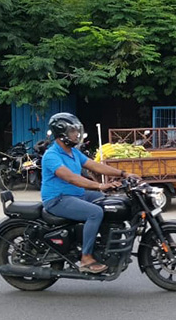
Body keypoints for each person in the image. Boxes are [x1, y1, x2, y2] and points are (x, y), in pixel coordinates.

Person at [41, 113, 139, 274]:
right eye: (72, 131)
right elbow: (71, 178)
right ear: (61, 133)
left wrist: (124, 174)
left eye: (76, 131)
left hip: (77, 194)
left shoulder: (73, 152)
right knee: (95, 212)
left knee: (109, 203)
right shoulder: (51, 155)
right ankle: (86, 258)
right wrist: (100, 185)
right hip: (57, 199)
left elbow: (94, 165)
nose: (76, 134)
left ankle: (108, 245)